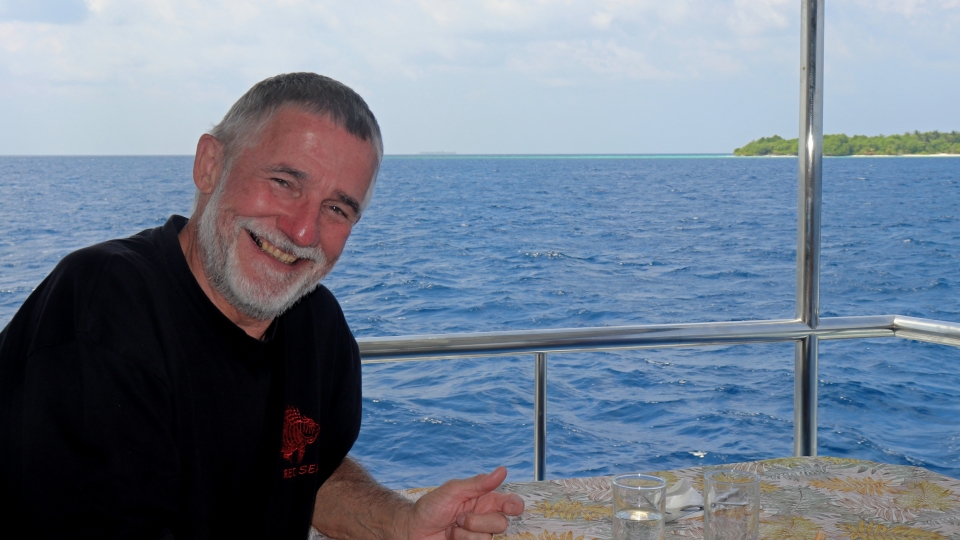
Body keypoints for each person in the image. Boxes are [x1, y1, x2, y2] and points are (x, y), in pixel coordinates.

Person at [0, 72, 524, 539]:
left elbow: (305, 475)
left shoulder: (317, 327)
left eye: (337, 208)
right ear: (210, 165)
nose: (302, 231)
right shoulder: (104, 302)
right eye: (283, 182)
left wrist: (402, 523)